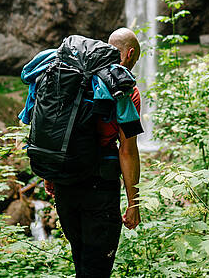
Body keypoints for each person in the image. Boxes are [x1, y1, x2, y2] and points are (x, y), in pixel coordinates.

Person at [20, 28, 142, 277]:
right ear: (129, 54)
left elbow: (46, 125)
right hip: (99, 188)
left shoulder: (61, 72)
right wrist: (133, 203)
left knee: (81, 261)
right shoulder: (125, 89)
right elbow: (127, 151)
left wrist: (50, 173)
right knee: (97, 268)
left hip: (64, 181)